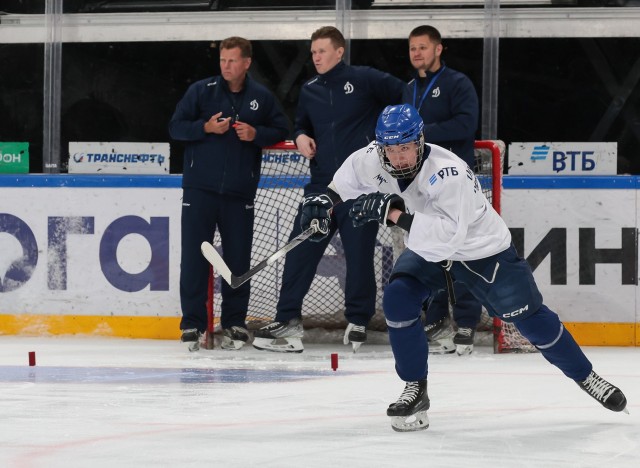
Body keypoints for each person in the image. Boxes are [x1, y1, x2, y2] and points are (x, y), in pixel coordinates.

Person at [300, 103, 628, 431]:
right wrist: (323, 201)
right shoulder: (375, 156)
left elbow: (447, 237)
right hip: (429, 247)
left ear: (420, 142)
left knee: (529, 319)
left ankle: (588, 378)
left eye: (405, 148)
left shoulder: (449, 173)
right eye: (391, 150)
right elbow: (345, 182)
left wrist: (393, 214)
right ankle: (415, 387)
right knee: (399, 298)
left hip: (482, 252)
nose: (398, 157)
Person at [252, 26, 406, 353]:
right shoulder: (309, 89)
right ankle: (288, 319)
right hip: (322, 186)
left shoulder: (365, 79)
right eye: (313, 53)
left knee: (359, 255)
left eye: (322, 51)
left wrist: (391, 136)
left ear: (339, 51)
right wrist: (302, 134)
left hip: (361, 189)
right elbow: (303, 124)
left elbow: (405, 94)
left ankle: (359, 320)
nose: (316, 57)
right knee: (301, 250)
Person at [169, 36, 289, 351]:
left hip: (239, 194)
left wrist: (256, 134)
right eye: (223, 60)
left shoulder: (261, 97)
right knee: (194, 260)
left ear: (246, 63)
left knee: (238, 262)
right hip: (200, 191)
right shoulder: (201, 91)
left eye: (232, 60)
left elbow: (281, 129)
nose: (226, 66)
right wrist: (204, 129)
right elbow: (175, 127)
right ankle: (192, 325)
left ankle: (234, 323)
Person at [404, 24, 483, 356]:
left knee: (462, 251)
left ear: (438, 49)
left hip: (455, 183)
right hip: (422, 185)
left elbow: (466, 125)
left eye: (422, 47)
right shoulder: (407, 89)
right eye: (412, 49)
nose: (416, 53)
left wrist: (422, 132)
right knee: (429, 251)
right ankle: (434, 319)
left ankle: (465, 321)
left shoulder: (457, 83)